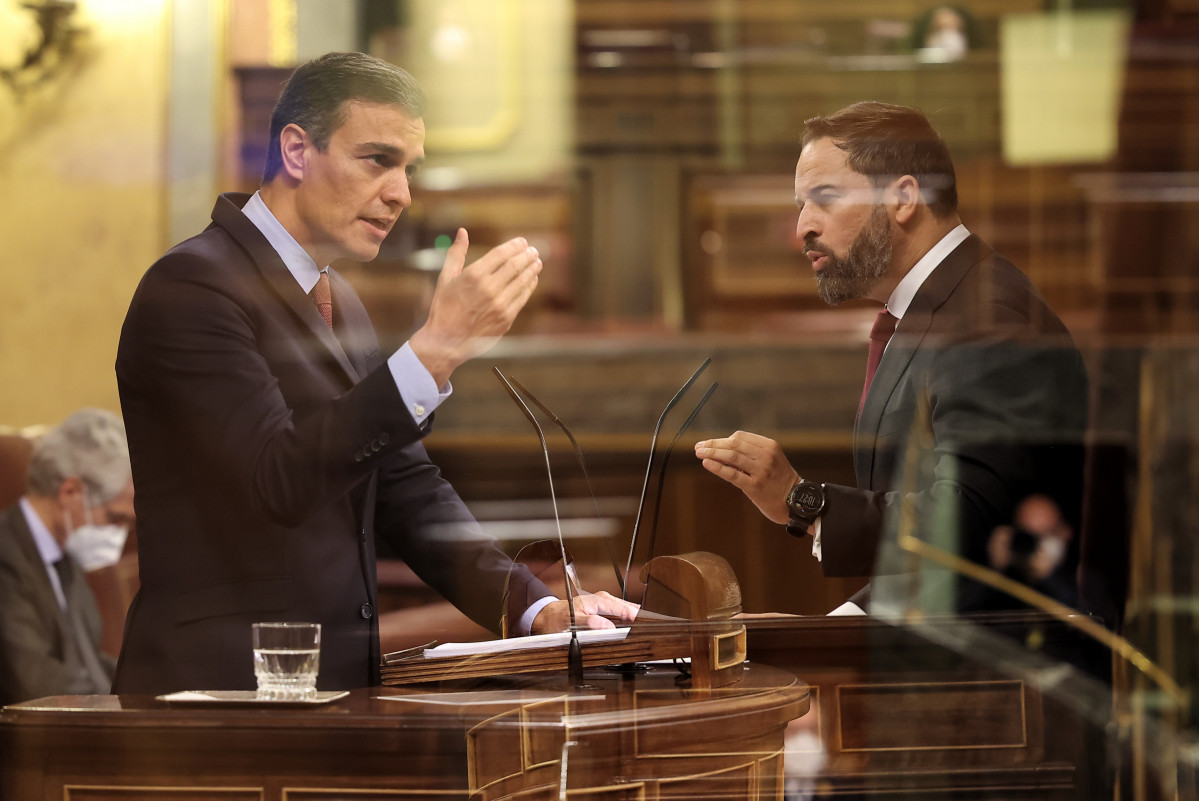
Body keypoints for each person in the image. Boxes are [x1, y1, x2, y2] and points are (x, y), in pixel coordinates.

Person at [112, 52, 637, 695]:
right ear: (298, 152)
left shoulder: (342, 300)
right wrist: (434, 351)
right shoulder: (193, 286)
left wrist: (536, 610)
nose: (402, 194)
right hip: (217, 699)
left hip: (329, 693)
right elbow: (275, 481)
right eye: (378, 160)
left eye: (408, 169)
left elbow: (404, 488)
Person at [694, 101, 1088, 614]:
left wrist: (802, 500)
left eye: (825, 199)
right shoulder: (937, 308)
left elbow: (974, 523)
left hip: (1007, 679)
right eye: (800, 206)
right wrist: (838, 627)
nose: (803, 228)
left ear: (903, 196)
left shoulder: (987, 319)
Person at [0, 409, 135, 704]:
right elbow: (34, 680)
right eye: (115, 518)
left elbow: (86, 662)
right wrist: (115, 709)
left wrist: (151, 687)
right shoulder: (6, 555)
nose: (121, 533)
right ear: (71, 491)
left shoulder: (67, 559)